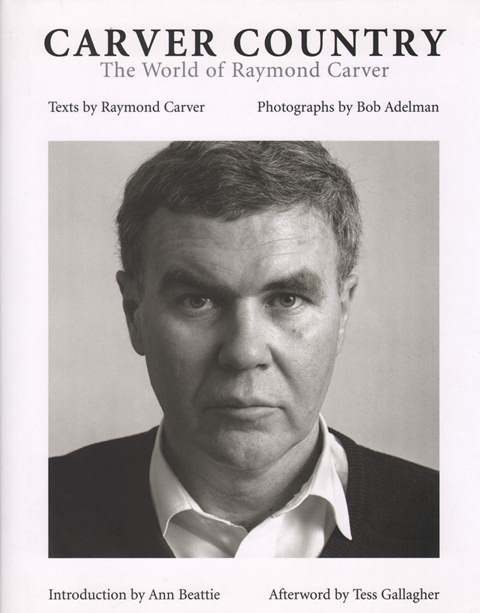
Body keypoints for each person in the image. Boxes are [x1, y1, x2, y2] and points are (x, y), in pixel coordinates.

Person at [49, 141, 438, 558]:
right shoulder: (28, 513)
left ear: (342, 312)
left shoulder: (451, 524)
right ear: (134, 313)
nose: (244, 353)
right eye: (197, 300)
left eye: (287, 299)